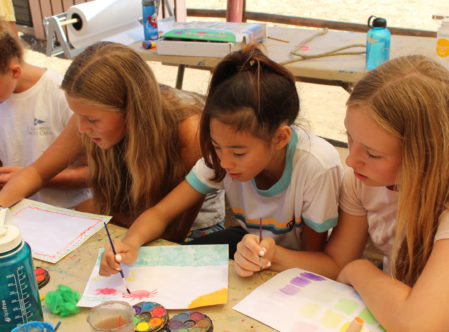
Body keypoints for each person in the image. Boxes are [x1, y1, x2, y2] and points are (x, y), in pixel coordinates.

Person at [236, 55, 449, 331]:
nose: (351, 160)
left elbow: (420, 324)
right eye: (349, 137)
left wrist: (360, 269)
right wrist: (268, 255)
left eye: (372, 153)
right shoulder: (362, 181)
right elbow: (336, 263)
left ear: (425, 154)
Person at [99, 45, 343, 276]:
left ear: (280, 137)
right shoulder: (222, 157)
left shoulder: (316, 166)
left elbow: (317, 259)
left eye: (239, 153)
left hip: (293, 261)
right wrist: (130, 242)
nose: (225, 163)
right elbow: (161, 213)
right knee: (176, 267)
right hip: (248, 246)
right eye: (216, 146)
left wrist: (272, 255)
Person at [0, 41, 225, 241]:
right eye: (77, 115)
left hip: (190, 231)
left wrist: (123, 238)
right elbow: (36, 173)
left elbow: (173, 233)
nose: (81, 128)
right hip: (131, 218)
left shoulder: (189, 131)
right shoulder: (88, 114)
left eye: (91, 119)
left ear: (130, 111)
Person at [0, 19, 90, 208]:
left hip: (69, 211)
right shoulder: (4, 94)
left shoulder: (62, 95)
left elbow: (94, 173)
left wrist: (26, 178)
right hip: (18, 211)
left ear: (14, 72)